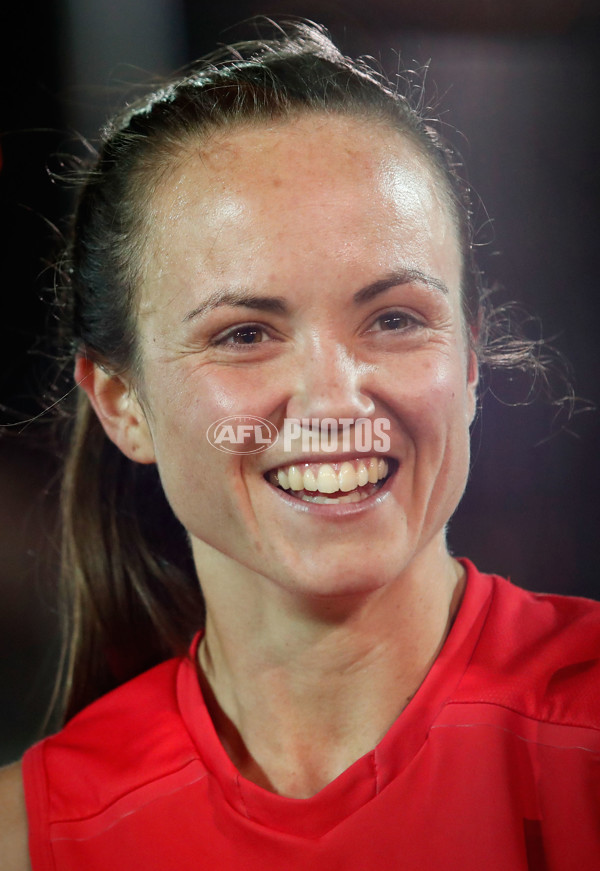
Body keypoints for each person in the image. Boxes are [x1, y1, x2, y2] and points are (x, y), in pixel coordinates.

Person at [1, 20, 599, 870]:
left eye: (394, 319)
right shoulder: (29, 838)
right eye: (245, 334)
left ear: (469, 360)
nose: (334, 396)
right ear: (122, 401)